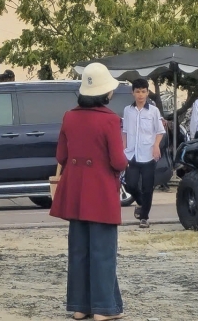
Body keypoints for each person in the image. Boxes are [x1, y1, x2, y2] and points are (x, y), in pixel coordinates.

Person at [51, 63, 127, 320]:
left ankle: (80, 307)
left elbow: (61, 155)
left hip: (75, 190)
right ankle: (104, 309)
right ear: (106, 93)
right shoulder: (110, 120)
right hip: (101, 191)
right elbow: (118, 161)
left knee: (79, 250)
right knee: (103, 251)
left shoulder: (68, 116)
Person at [121, 78, 165, 229]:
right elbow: (125, 132)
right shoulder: (128, 110)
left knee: (148, 187)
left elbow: (159, 131)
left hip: (148, 154)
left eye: (143, 91)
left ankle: (144, 217)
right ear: (133, 93)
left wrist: (156, 146)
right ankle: (141, 202)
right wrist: (123, 150)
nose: (140, 95)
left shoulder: (153, 110)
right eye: (138, 91)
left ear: (147, 93)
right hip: (131, 154)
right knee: (130, 185)